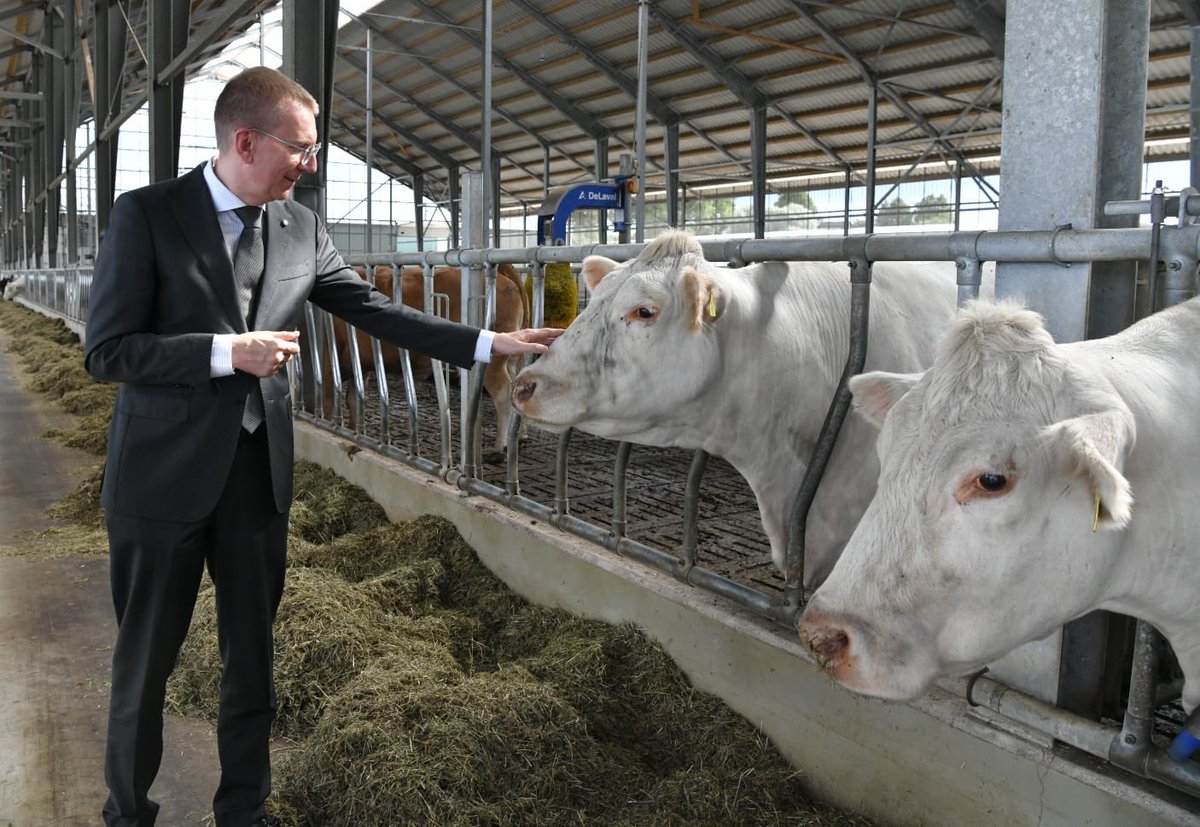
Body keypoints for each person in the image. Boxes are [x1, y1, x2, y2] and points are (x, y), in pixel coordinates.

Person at [83, 66, 562, 827]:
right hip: (159, 480)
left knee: (253, 658)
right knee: (146, 662)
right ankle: (127, 812)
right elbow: (106, 351)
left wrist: (487, 342)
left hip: (254, 476)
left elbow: (373, 309)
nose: (310, 165)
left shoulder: (301, 226)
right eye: (299, 150)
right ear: (245, 141)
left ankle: (245, 808)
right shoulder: (146, 215)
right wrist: (221, 353)